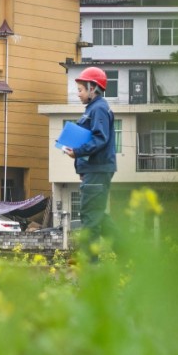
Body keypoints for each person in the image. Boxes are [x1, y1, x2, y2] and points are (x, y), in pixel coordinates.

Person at [60, 66, 116, 247]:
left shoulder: (98, 109)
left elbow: (100, 138)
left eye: (81, 90)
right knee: (97, 215)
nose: (78, 94)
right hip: (94, 170)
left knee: (90, 216)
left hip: (97, 170)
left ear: (93, 88)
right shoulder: (93, 108)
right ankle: (131, 254)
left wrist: (77, 152)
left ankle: (90, 264)